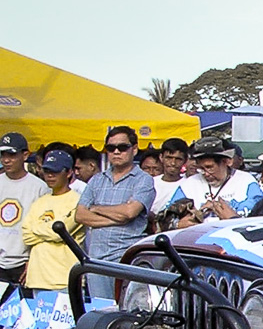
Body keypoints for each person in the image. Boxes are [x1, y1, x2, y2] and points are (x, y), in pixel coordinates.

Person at [75, 125, 156, 300]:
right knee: (101, 310)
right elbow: (80, 215)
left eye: (122, 147)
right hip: (96, 259)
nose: (116, 152)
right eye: (111, 148)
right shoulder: (96, 180)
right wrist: (117, 218)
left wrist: (97, 208)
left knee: (126, 311)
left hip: (125, 258)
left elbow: (129, 212)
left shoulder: (144, 180)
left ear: (134, 149)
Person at [21, 149, 84, 291]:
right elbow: (26, 235)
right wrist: (50, 231)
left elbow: (60, 233)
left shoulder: (78, 201)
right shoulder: (40, 201)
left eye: (55, 171)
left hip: (65, 279)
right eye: (47, 171)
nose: (49, 175)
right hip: (37, 279)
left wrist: (37, 229)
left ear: (68, 173)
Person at [163, 136, 263, 224]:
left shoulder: (245, 181)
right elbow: (166, 215)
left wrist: (220, 206)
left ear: (226, 162)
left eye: (210, 167)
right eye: (201, 169)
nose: (206, 174)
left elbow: (256, 209)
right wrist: (178, 224)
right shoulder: (190, 184)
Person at [0, 131, 47, 285]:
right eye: (3, 155)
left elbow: (43, 228)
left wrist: (34, 260)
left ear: (25, 155)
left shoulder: (40, 187)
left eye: (11, 155)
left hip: (24, 263)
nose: (6, 160)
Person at [152, 137, 190, 216]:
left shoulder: (189, 185)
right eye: (169, 158)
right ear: (161, 157)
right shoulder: (150, 183)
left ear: (185, 160)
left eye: (178, 159)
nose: (173, 163)